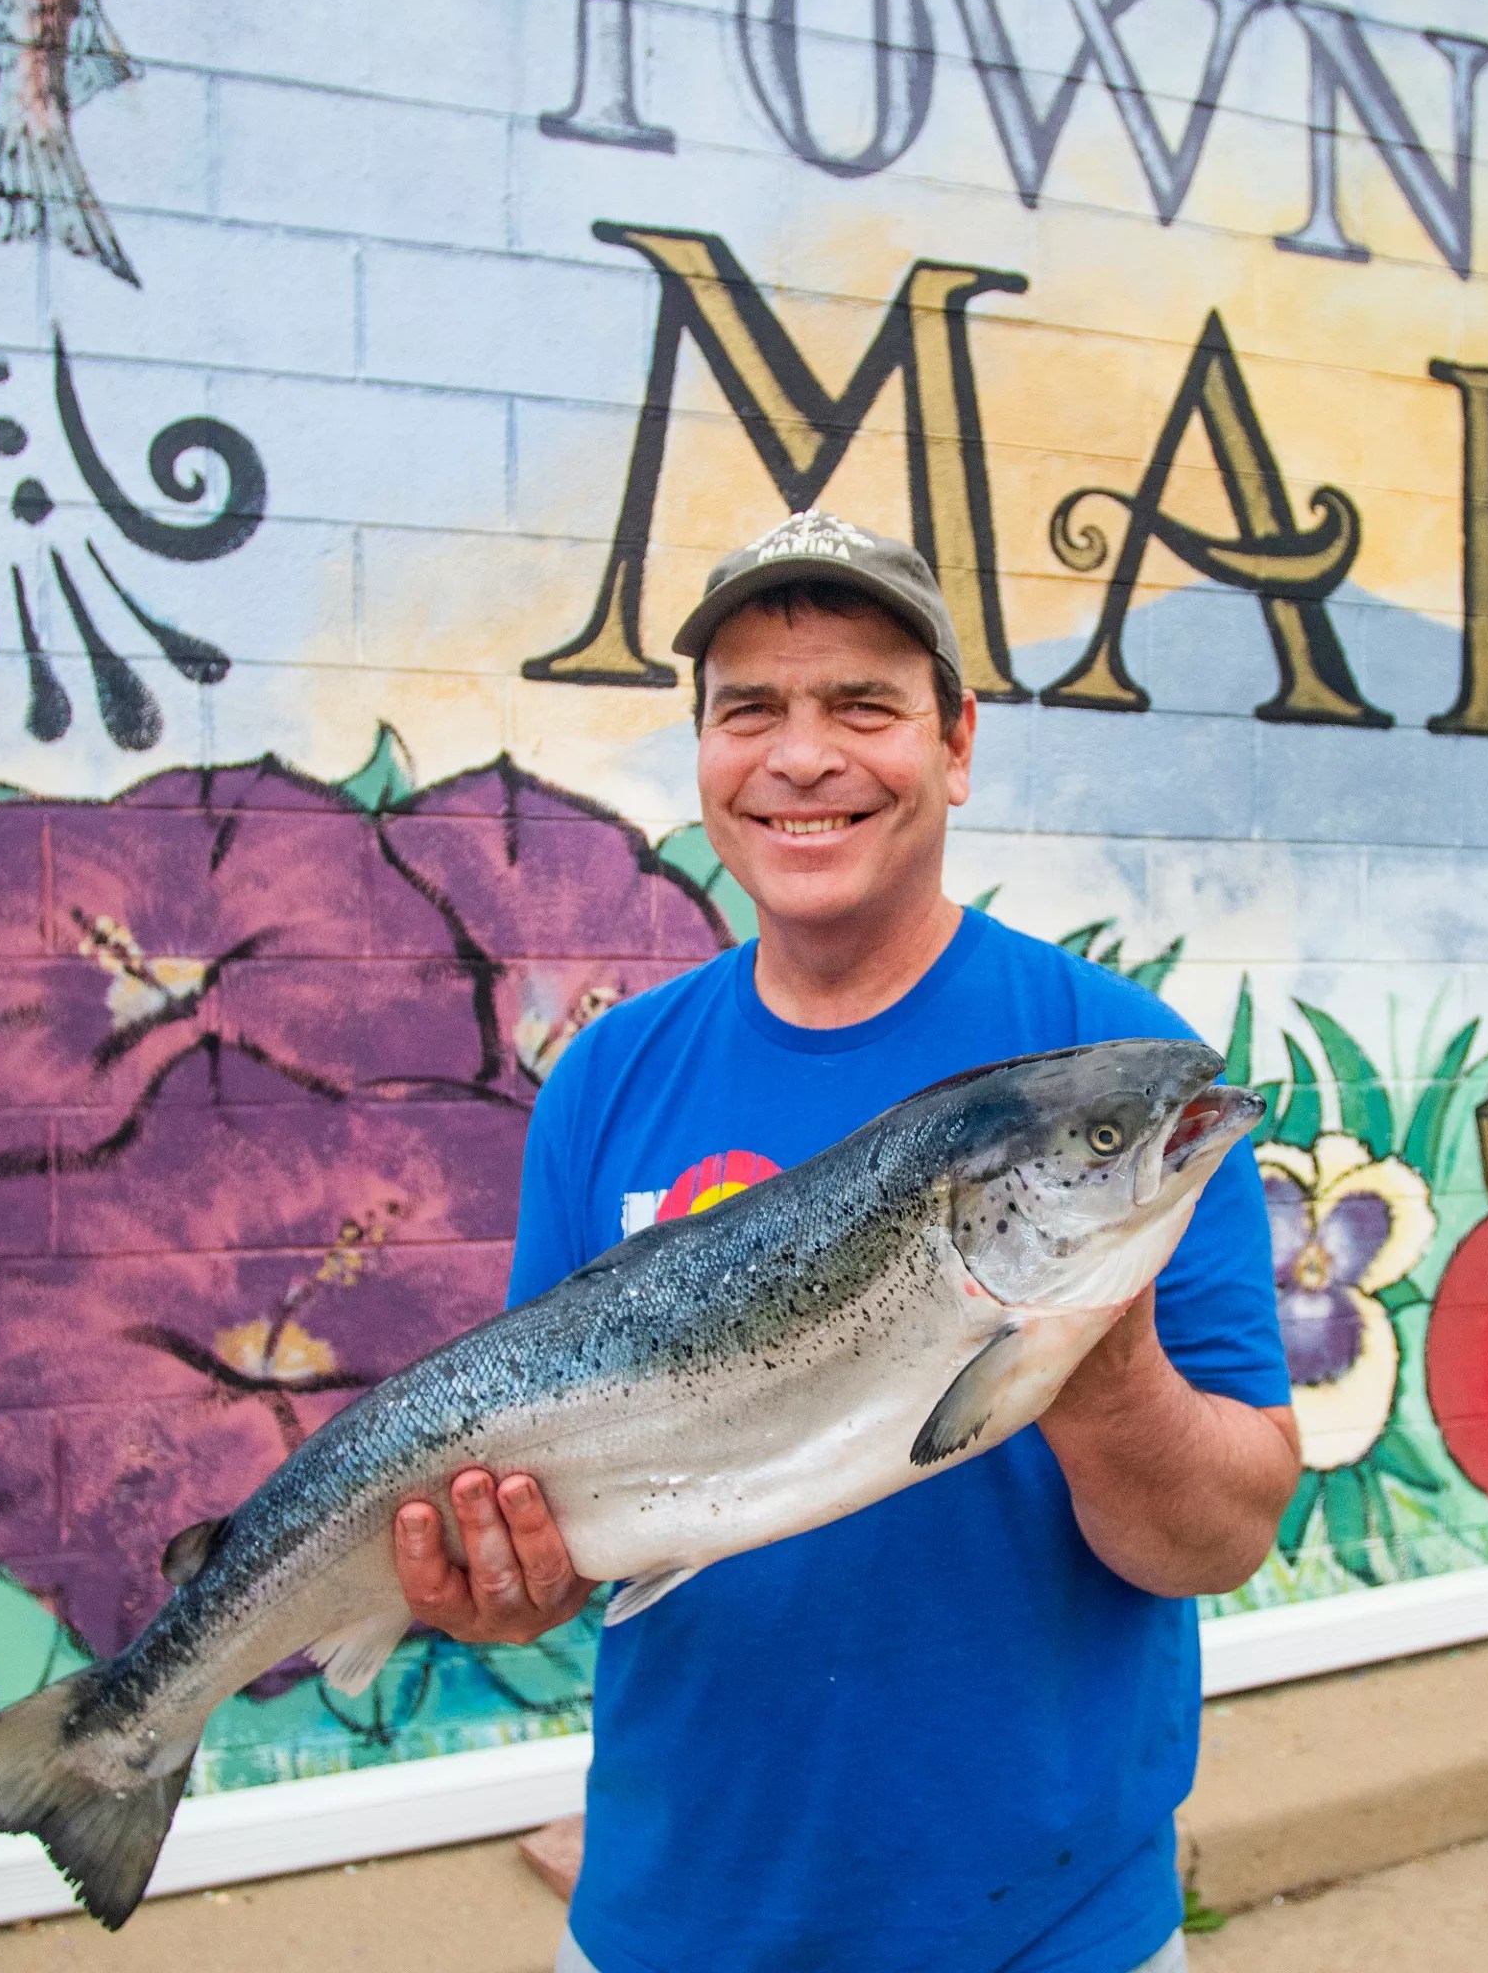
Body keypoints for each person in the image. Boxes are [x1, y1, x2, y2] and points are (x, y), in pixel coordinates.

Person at [390, 510, 1300, 1973]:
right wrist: (496, 1586)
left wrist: (1100, 1350)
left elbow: (1217, 1541)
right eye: (750, 709)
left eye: (862, 705)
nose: (800, 757)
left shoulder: (1115, 1075)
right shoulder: (606, 1081)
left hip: (1051, 1940)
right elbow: (561, 1544)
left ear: (954, 744)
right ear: (704, 756)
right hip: (670, 1925)